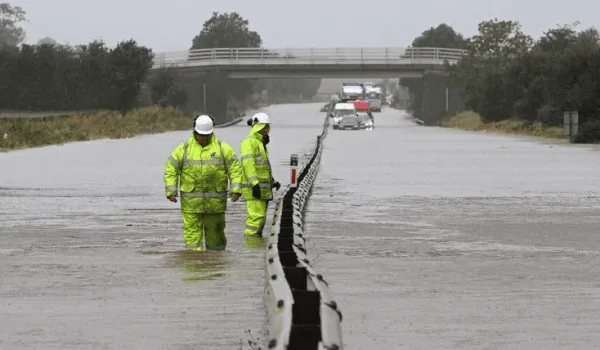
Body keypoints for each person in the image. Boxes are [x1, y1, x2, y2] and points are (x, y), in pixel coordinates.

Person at [164, 115, 243, 251]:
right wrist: (171, 191)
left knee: (216, 239)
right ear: (194, 132)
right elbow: (171, 168)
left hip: (215, 206)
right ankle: (194, 267)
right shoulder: (184, 149)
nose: (203, 138)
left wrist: (236, 189)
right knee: (192, 240)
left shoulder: (222, 148)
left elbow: (235, 168)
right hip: (191, 205)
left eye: (206, 135)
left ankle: (216, 268)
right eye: (201, 135)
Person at [239, 112, 281, 237]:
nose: (267, 130)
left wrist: (272, 182)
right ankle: (251, 247)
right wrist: (254, 184)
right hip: (254, 190)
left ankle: (255, 245)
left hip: (263, 190)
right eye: (264, 127)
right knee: (256, 219)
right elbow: (248, 164)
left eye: (267, 127)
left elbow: (263, 167)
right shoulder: (249, 142)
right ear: (257, 127)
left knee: (260, 219)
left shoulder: (260, 144)